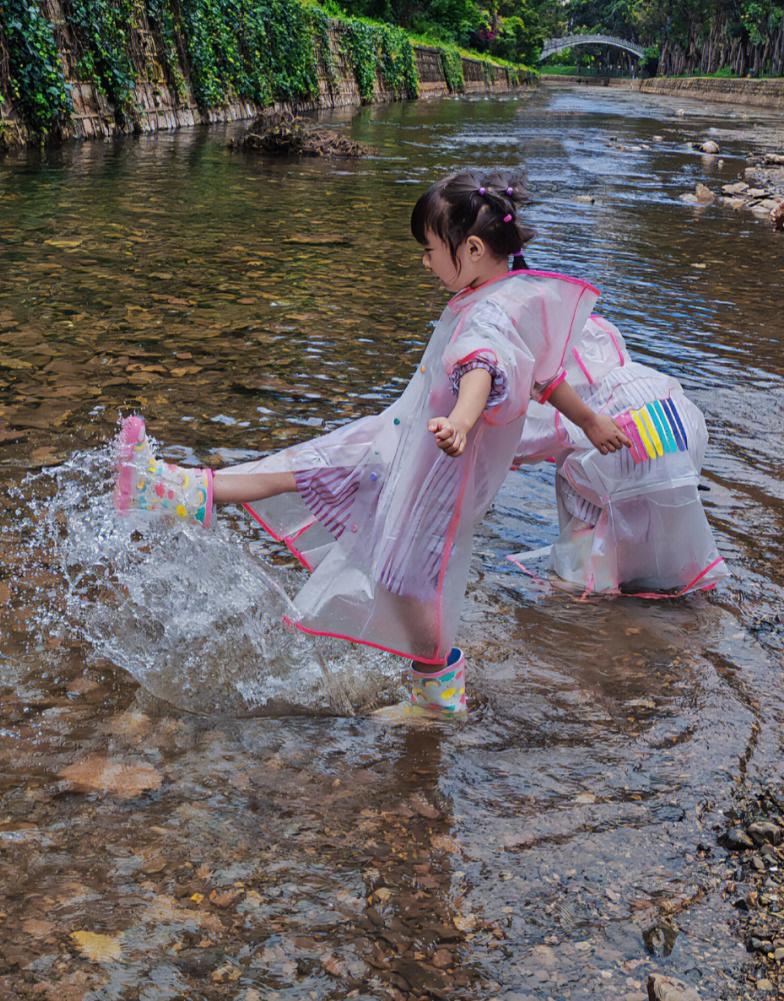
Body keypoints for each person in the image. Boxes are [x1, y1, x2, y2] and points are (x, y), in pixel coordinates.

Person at [114, 169, 616, 717]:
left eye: (429, 250)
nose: (426, 262)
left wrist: (464, 423)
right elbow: (546, 375)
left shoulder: (490, 315)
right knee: (313, 465)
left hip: (435, 470)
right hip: (401, 439)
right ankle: (178, 491)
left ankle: (438, 701)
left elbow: (482, 369)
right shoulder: (512, 293)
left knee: (410, 580)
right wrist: (588, 422)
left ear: (471, 249)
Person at [509, 313, 727, 597]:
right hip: (680, 429)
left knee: (580, 473)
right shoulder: (635, 366)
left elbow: (522, 445)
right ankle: (667, 570)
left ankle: (591, 577)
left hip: (622, 454)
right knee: (652, 494)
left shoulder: (579, 402)